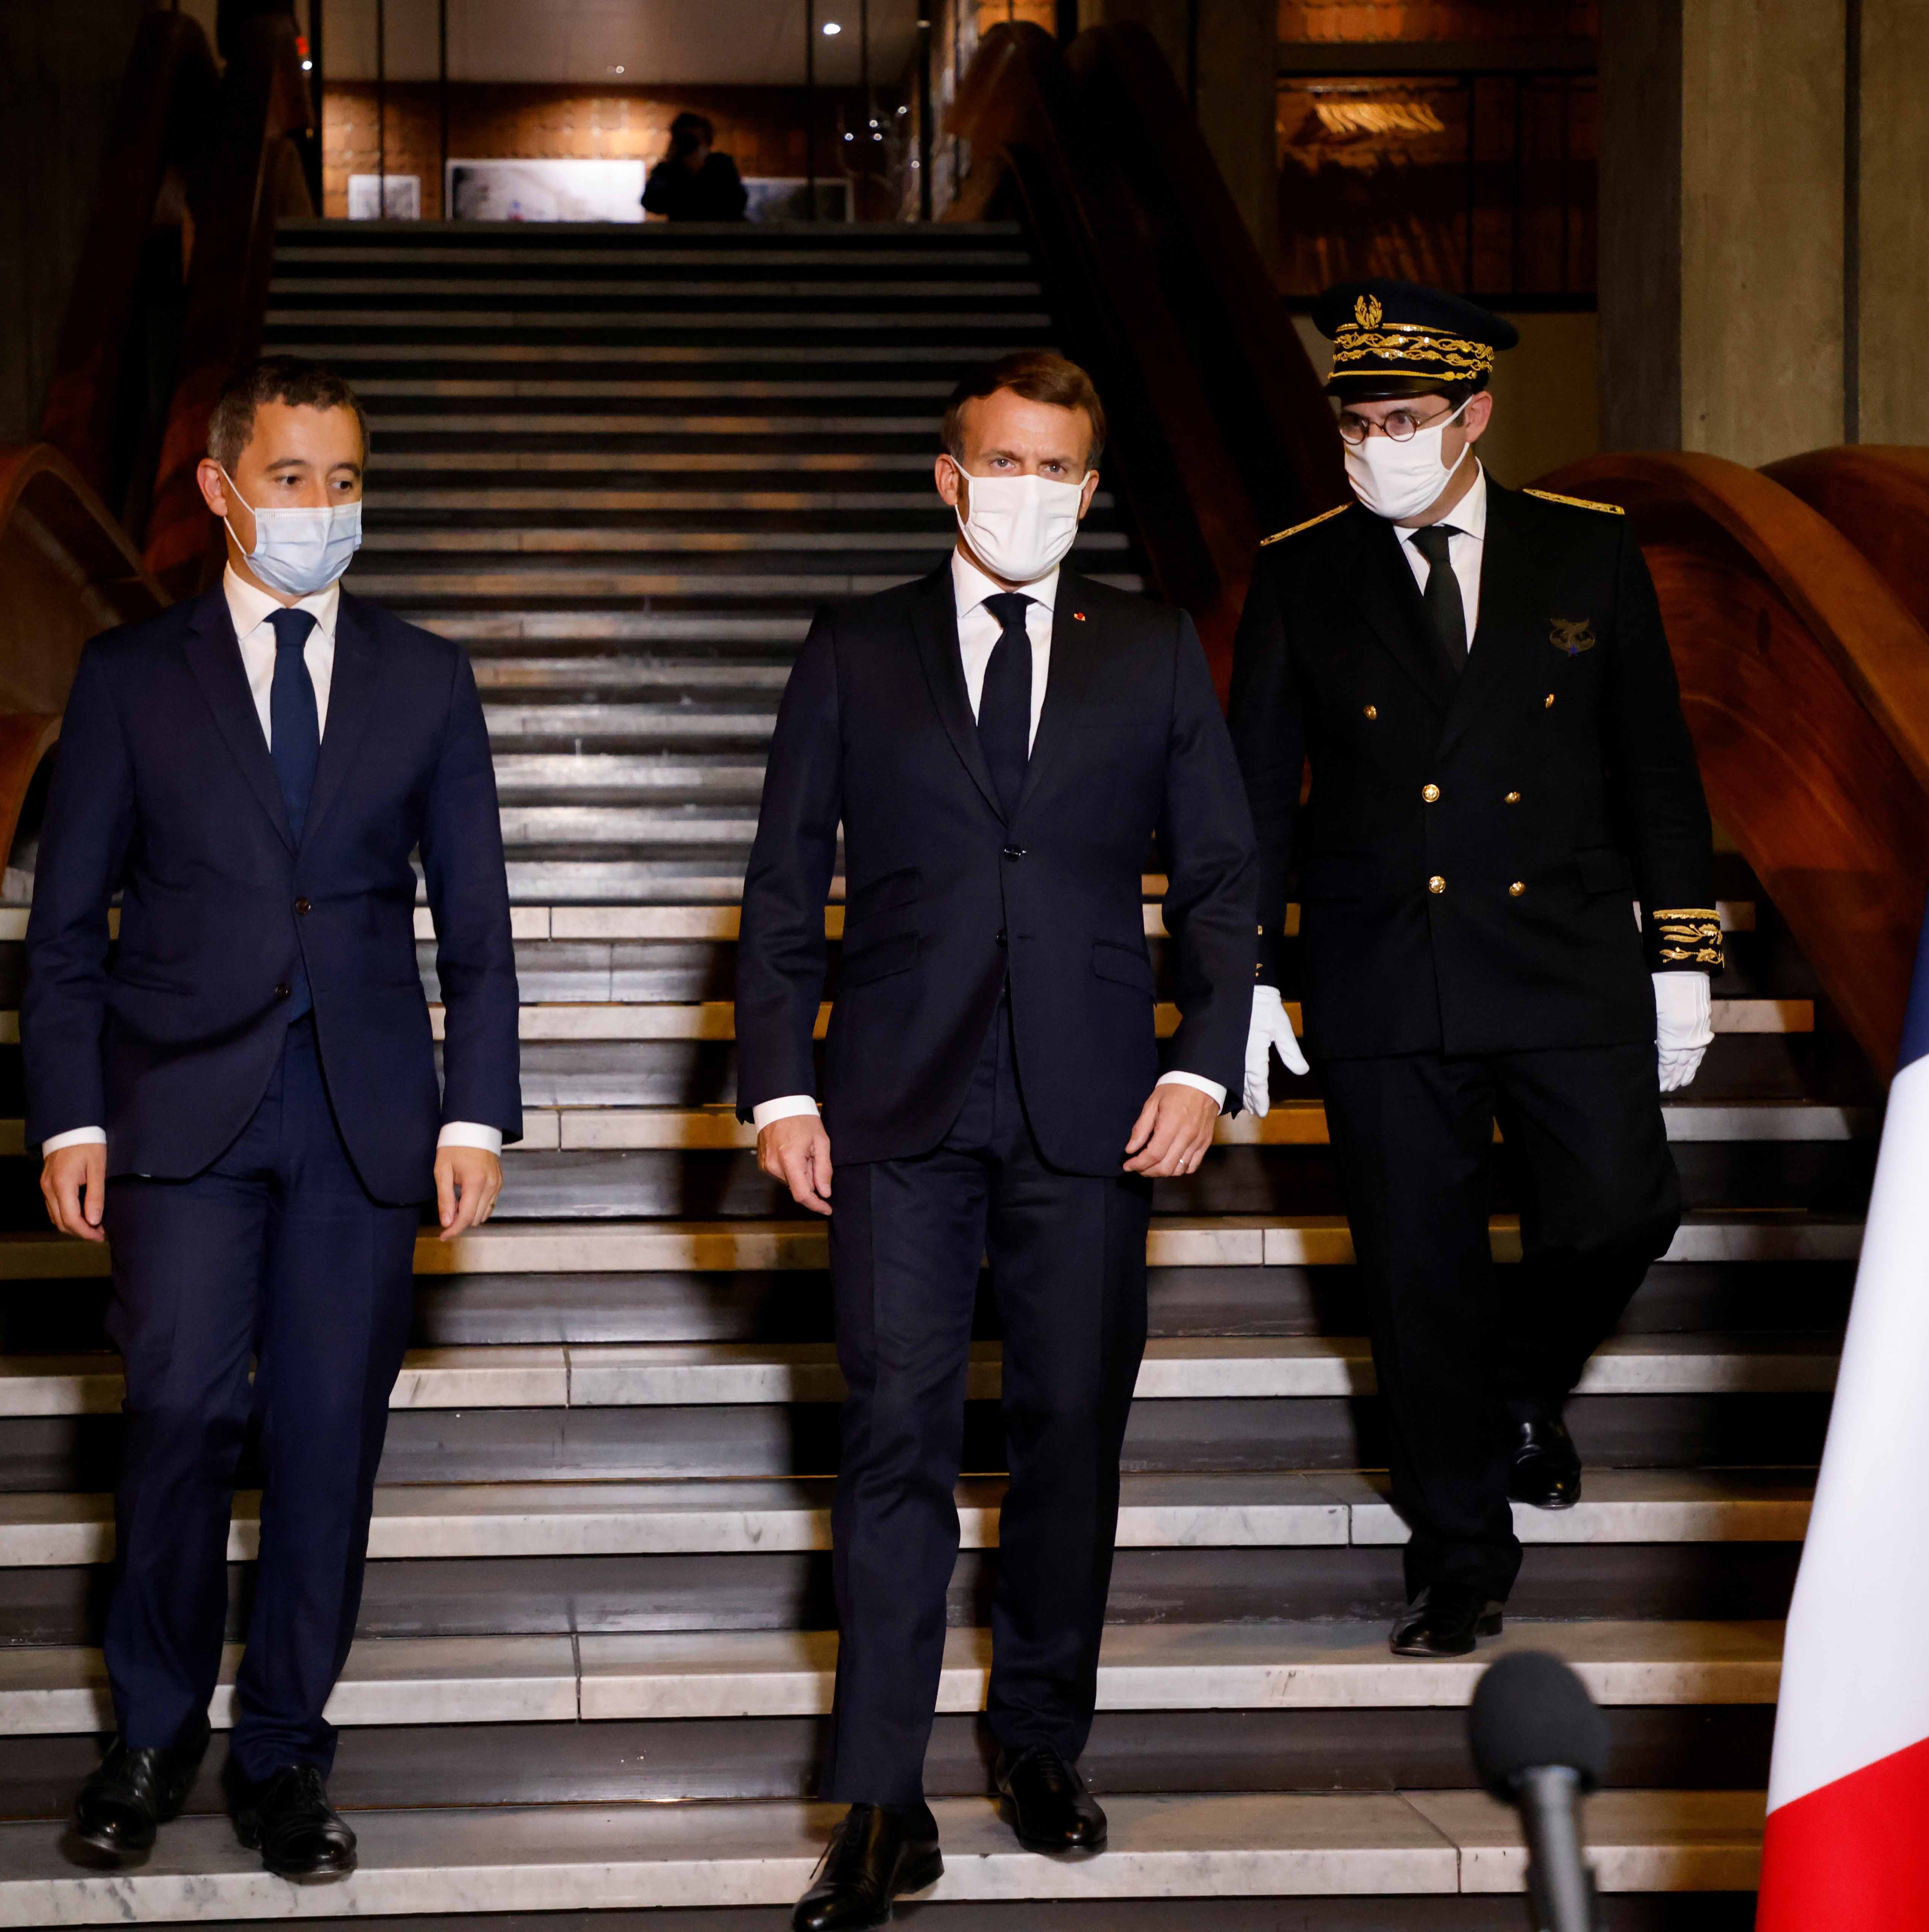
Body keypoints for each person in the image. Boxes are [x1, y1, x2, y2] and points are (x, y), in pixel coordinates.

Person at [738, 351, 1257, 1930]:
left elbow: (1219, 879)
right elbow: (782, 888)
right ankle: (880, 1801)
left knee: (1069, 1432)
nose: (1028, 490)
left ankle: (1037, 1742)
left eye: (1057, 469)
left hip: (1093, 1107)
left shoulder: (1151, 652)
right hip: (893, 1105)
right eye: (1003, 462)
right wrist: (779, 1089)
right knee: (892, 1438)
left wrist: (1204, 1065)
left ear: (1089, 491)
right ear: (950, 474)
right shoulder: (854, 645)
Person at [23, 355, 521, 1878]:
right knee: (176, 1413)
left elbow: (477, 926)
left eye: (345, 480)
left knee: (324, 1439)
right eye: (292, 477)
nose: (321, 506)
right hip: (179, 1112)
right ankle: (151, 1736)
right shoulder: (127, 677)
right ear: (220, 489)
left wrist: (477, 1116)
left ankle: (287, 1753)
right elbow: (66, 930)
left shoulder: (426, 678)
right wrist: (69, 1121)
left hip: (363, 1119)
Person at [1225, 282, 1721, 1660]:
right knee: (1415, 1273)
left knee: (1621, 1208)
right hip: (1385, 969)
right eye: (1356, 421)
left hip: (1565, 957)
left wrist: (1681, 946)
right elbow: (1255, 791)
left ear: (1474, 416)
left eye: (1403, 419)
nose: (1374, 444)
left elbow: (1654, 762)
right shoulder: (1301, 568)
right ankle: (1455, 1554)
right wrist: (1246, 969)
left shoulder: (1585, 547)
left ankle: (1515, 1383)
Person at [641, 111, 749, 222]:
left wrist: (701, 171)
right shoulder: (668, 169)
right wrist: (670, 163)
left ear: (707, 143)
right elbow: (650, 202)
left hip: (717, 229)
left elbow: (738, 202)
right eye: (683, 140)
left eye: (693, 141)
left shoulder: (721, 165)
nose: (688, 145)